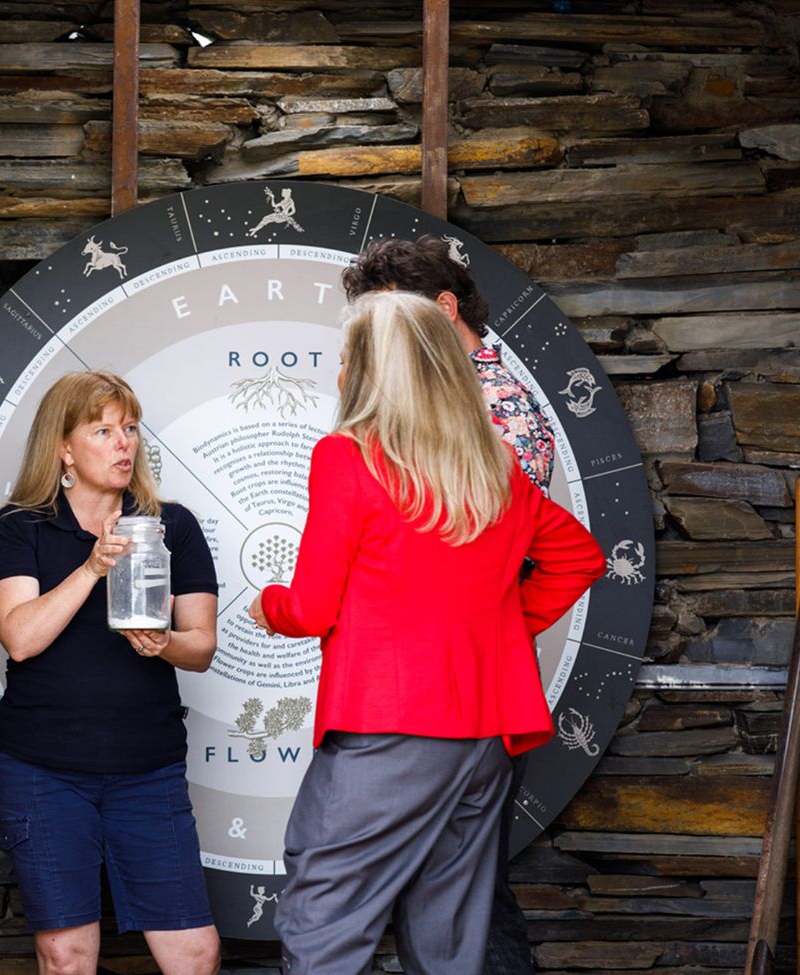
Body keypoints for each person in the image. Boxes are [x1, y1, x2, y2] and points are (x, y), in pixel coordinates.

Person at [247, 291, 605, 975]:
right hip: (484, 736)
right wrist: (490, 631)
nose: (338, 374)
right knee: (448, 941)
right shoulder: (492, 466)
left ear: (376, 373)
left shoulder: (346, 458)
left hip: (389, 730)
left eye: (347, 358)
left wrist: (269, 604)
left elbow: (311, 608)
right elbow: (579, 558)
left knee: (321, 917)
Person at [343, 236, 557, 974]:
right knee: (444, 893)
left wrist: (488, 631)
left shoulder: (491, 412)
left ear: (440, 310)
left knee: (467, 899)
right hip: (434, 685)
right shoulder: (443, 407)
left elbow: (469, 562)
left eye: (385, 320)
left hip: (463, 692)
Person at [0, 371, 221, 975]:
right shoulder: (19, 528)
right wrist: (92, 566)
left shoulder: (172, 526)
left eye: (131, 429)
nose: (124, 444)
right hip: (43, 772)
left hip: (149, 770)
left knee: (195, 953)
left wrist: (164, 644)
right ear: (63, 447)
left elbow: (202, 647)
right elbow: (21, 638)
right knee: (66, 955)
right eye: (104, 430)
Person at [343, 236, 555, 495]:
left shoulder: (499, 403)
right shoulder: (430, 393)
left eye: (396, 316)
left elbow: (508, 519)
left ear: (445, 307)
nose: (384, 336)